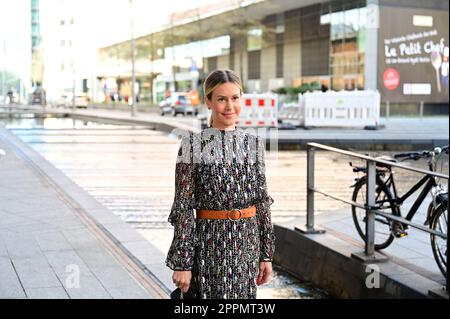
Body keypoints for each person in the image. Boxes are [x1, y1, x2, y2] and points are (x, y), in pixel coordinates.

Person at [166, 69, 275, 299]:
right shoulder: (192, 146)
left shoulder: (253, 144)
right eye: (222, 99)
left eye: (235, 98)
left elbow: (262, 201)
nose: (229, 106)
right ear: (208, 101)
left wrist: (266, 254)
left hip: (246, 244)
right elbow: (183, 206)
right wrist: (183, 262)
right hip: (209, 245)